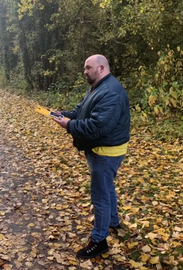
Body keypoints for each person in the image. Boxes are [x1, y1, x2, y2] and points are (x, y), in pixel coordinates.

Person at [53, 54, 130, 259]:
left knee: (100, 195)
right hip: (101, 150)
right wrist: (65, 115)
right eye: (84, 68)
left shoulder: (111, 92)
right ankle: (113, 222)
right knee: (107, 188)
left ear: (102, 68)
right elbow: (82, 110)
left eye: (88, 68)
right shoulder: (98, 86)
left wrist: (69, 125)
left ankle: (99, 241)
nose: (85, 72)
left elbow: (98, 127)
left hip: (106, 152)